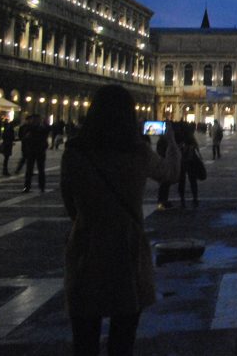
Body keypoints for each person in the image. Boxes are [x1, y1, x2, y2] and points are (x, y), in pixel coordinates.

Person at [60, 85, 180, 356]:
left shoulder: (74, 152)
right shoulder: (137, 152)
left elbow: (69, 202)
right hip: (126, 250)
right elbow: (171, 173)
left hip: (86, 248)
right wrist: (172, 141)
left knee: (84, 341)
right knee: (123, 339)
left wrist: (89, 222)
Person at [21, 114, 50, 193]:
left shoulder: (41, 128)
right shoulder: (30, 127)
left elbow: (47, 131)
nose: (35, 121)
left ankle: (41, 186)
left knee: (40, 169)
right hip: (32, 150)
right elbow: (24, 137)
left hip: (39, 150)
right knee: (30, 170)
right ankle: (27, 186)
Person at [177, 124, 201, 208]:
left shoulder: (179, 138)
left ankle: (182, 199)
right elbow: (196, 148)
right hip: (190, 161)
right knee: (192, 180)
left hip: (182, 162)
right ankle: (195, 198)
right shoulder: (191, 138)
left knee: (182, 181)